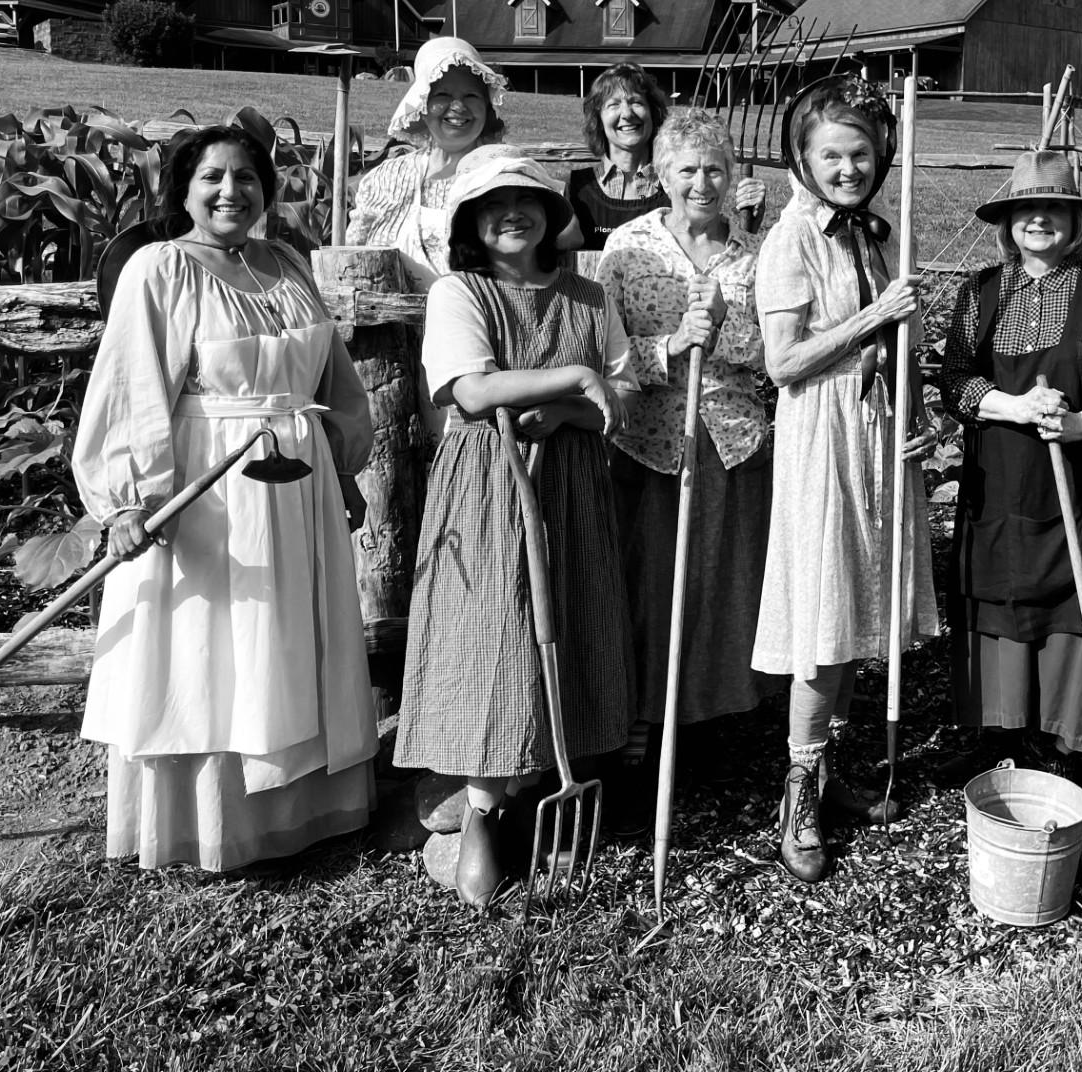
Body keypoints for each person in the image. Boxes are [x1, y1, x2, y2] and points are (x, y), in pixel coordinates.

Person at [72, 125, 377, 870]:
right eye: (212, 177)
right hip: (207, 494)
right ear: (183, 189)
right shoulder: (161, 269)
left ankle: (297, 813)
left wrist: (341, 468)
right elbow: (130, 386)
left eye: (246, 178)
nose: (230, 192)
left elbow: (330, 379)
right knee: (217, 647)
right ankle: (210, 824)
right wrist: (126, 501)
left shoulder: (286, 266)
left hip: (294, 486)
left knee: (285, 636)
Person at [393, 146, 639, 905]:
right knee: (494, 635)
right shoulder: (460, 293)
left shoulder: (589, 296)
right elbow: (469, 389)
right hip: (488, 482)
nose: (511, 213)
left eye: (526, 201)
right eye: (492, 203)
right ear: (470, 219)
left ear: (551, 215)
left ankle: (552, 777)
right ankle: (481, 809)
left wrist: (568, 406)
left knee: (569, 620)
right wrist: (574, 377)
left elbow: (621, 392)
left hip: (568, 480)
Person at [751, 73, 938, 883]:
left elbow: (903, 345)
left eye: (861, 153)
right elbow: (783, 361)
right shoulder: (791, 238)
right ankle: (795, 790)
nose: (847, 168)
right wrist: (873, 317)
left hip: (878, 431)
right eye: (831, 155)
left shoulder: (877, 235)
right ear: (805, 156)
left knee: (865, 602)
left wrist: (919, 412)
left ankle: (831, 773)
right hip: (822, 433)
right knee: (825, 614)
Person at [937, 150, 1082, 778]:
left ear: (1075, 220)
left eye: (1054, 209)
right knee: (999, 591)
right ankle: (1002, 734)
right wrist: (1013, 405)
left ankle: (1065, 738)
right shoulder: (980, 291)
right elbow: (955, 380)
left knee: (1073, 596)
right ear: (1007, 223)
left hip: (1080, 481)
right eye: (1026, 210)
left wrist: (1078, 423)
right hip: (1000, 480)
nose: (1039, 220)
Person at [596, 110, 774, 822]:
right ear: (661, 175)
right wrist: (671, 344)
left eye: (715, 170)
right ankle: (643, 710)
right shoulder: (628, 247)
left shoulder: (754, 258)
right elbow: (603, 355)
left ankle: (711, 709)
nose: (702, 183)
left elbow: (773, 357)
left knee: (719, 579)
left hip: (731, 437)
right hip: (648, 439)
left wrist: (725, 330)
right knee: (649, 579)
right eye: (686, 170)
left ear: (733, 177)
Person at [350, 36, 508, 290]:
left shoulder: (505, 173)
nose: (458, 107)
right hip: (391, 326)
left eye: (471, 96)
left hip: (482, 326)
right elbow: (353, 258)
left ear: (487, 107)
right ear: (423, 103)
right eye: (443, 95)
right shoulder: (385, 179)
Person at [566, 62, 765, 249]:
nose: (626, 113)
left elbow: (709, 246)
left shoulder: (680, 184)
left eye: (636, 102)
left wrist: (748, 226)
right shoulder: (577, 189)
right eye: (614, 105)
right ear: (598, 118)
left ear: (653, 113)